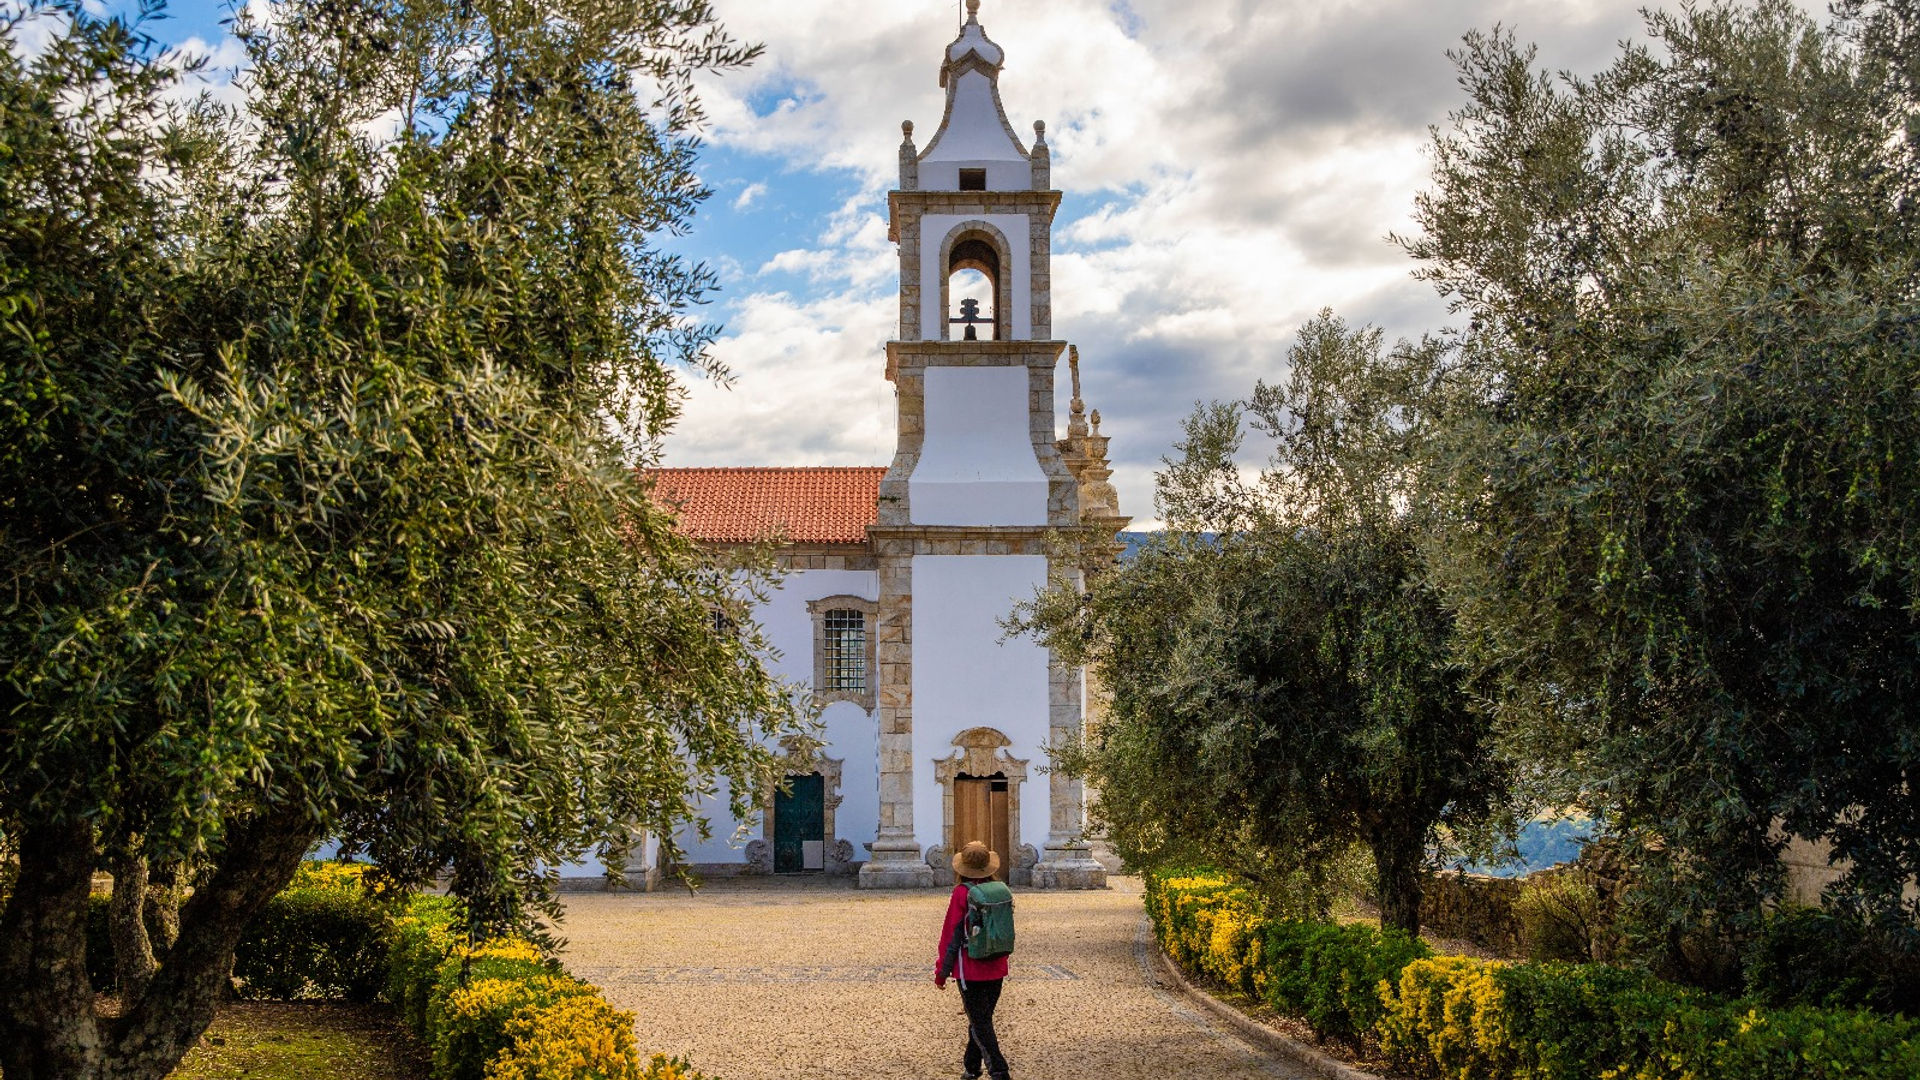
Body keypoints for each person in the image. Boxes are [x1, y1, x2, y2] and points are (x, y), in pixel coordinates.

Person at [934, 841, 1012, 1080]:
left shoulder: (961, 893)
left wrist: (941, 971)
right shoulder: (1000, 890)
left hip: (970, 969)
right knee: (981, 1018)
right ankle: (970, 1067)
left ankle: (999, 1071)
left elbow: (951, 934)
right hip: (997, 966)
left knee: (980, 1023)